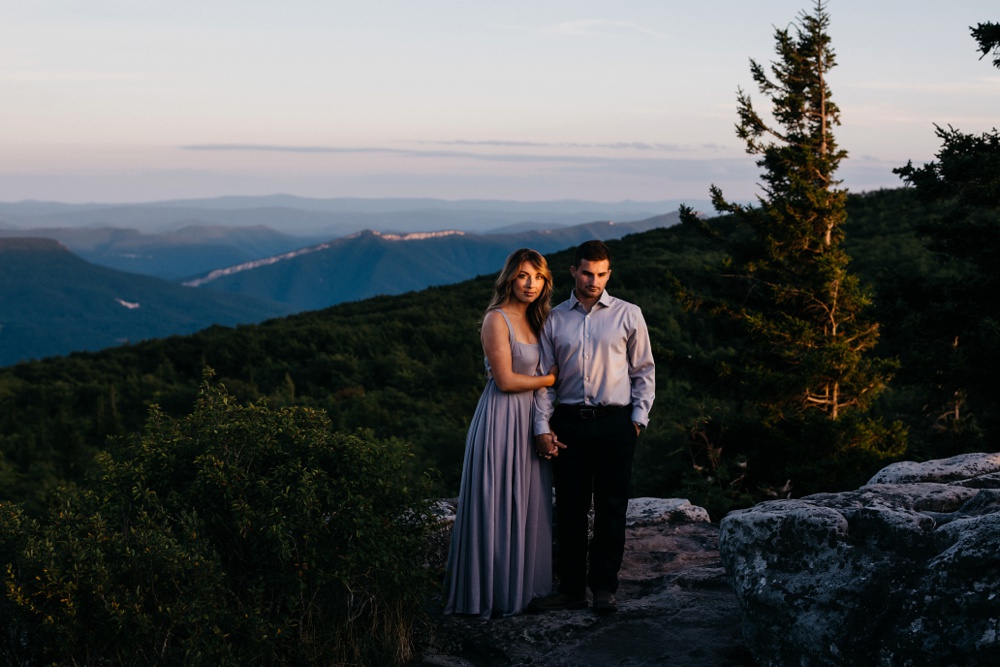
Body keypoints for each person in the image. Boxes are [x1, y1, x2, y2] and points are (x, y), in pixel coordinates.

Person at [530, 240, 655, 615]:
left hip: (616, 423)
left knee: (612, 508)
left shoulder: (629, 314)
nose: (593, 281)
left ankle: (604, 588)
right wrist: (542, 425)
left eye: (601, 274)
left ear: (609, 274)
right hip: (568, 424)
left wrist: (637, 420)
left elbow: (644, 371)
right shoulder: (553, 319)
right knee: (569, 508)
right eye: (587, 273)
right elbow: (543, 379)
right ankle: (570, 588)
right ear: (573, 272)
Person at [444, 248, 560, 618]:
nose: (531, 284)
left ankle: (522, 589)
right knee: (496, 502)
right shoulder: (497, 319)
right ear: (510, 277)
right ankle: (488, 595)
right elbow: (507, 380)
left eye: (538, 277)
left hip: (530, 421)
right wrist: (550, 377)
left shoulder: (538, 320)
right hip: (500, 420)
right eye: (524, 276)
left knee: (527, 503)